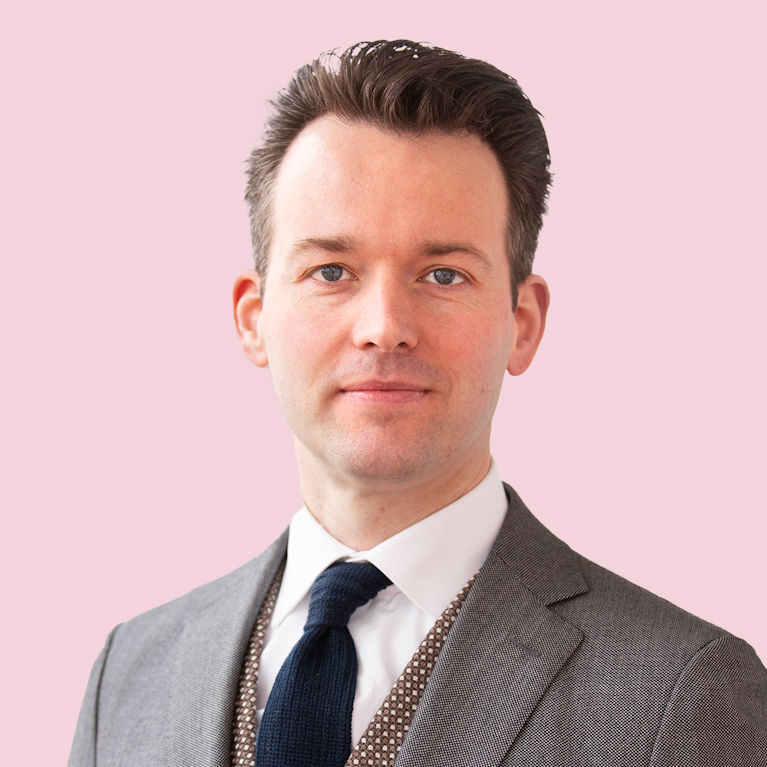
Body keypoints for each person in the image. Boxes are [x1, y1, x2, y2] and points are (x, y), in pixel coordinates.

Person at [68, 40, 767, 767]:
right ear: (254, 317)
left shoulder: (684, 691)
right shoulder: (130, 673)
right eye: (331, 270)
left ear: (522, 323)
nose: (384, 327)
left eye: (442, 274)